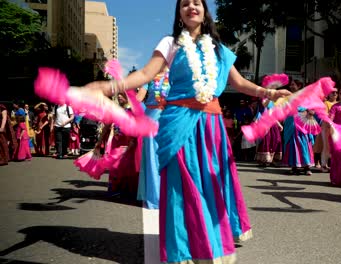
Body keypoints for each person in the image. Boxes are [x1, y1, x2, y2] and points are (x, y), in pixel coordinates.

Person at [81, 0, 290, 262]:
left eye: (197, 3)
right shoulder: (169, 43)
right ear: (179, 14)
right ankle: (182, 249)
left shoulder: (218, 49)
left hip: (211, 127)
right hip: (178, 122)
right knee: (182, 184)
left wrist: (269, 92)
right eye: (185, 4)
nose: (191, 7)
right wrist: (109, 86)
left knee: (210, 185)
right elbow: (145, 73)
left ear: (204, 11)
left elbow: (238, 82)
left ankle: (208, 241)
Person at [136, 69, 170, 209]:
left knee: (168, 157)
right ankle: (154, 196)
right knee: (152, 157)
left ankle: (168, 195)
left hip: (168, 119)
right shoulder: (149, 77)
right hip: (150, 119)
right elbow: (138, 97)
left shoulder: (174, 74)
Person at [282, 79, 316, 175]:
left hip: (302, 123)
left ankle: (307, 167)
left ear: (299, 86)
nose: (291, 86)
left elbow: (312, 108)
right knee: (292, 143)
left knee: (304, 143)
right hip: (290, 123)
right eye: (291, 85)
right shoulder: (287, 97)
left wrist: (309, 112)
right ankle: (294, 167)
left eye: (293, 85)